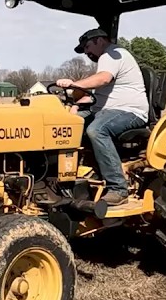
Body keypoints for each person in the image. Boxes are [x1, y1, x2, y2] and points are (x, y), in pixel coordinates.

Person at [56, 28, 148, 204]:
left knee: (97, 130)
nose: (86, 52)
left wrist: (73, 84)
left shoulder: (113, 54)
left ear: (99, 40)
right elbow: (93, 94)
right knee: (66, 126)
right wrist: (74, 107)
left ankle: (118, 189)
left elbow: (103, 79)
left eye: (87, 47)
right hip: (104, 110)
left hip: (129, 111)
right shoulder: (104, 61)